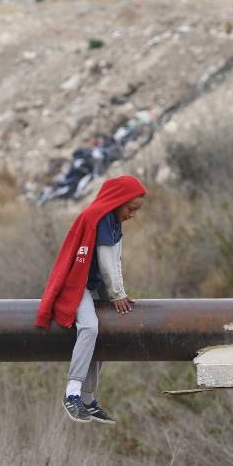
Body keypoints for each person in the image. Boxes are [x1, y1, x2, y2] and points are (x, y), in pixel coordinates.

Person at [35, 175, 147, 424]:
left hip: (93, 285)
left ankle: (88, 397)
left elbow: (116, 261)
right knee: (89, 326)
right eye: (130, 208)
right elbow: (106, 260)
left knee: (103, 332)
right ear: (118, 201)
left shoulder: (114, 222)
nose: (132, 215)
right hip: (76, 285)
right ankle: (72, 393)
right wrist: (116, 294)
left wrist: (120, 292)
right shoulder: (102, 217)